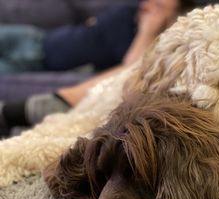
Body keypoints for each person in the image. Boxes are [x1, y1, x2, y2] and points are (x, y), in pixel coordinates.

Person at [0, 0, 195, 137]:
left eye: (159, 6)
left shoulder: (149, 42)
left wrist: (149, 28)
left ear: (173, 18)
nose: (148, 5)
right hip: (33, 39)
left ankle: (11, 116)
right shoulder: (129, 13)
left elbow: (130, 68)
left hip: (37, 61)